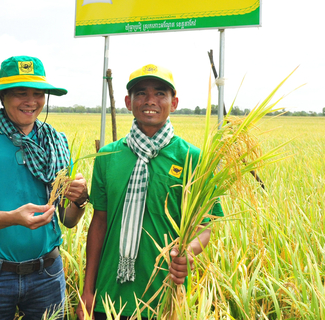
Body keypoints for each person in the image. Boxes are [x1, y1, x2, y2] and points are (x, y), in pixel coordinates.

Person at [77, 64, 223, 320]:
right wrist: (88, 290)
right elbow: (99, 223)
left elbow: (205, 225)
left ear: (174, 102)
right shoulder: (107, 156)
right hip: (108, 295)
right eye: (141, 93)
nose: (150, 101)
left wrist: (188, 253)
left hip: (163, 294)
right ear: (128, 101)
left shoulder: (192, 158)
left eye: (160, 94)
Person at [0, 55, 90, 320]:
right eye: (20, 93)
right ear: (2, 96)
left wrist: (80, 199)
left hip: (47, 274)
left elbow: (68, 220)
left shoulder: (56, 143)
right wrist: (13, 218)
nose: (31, 101)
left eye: (38, 93)